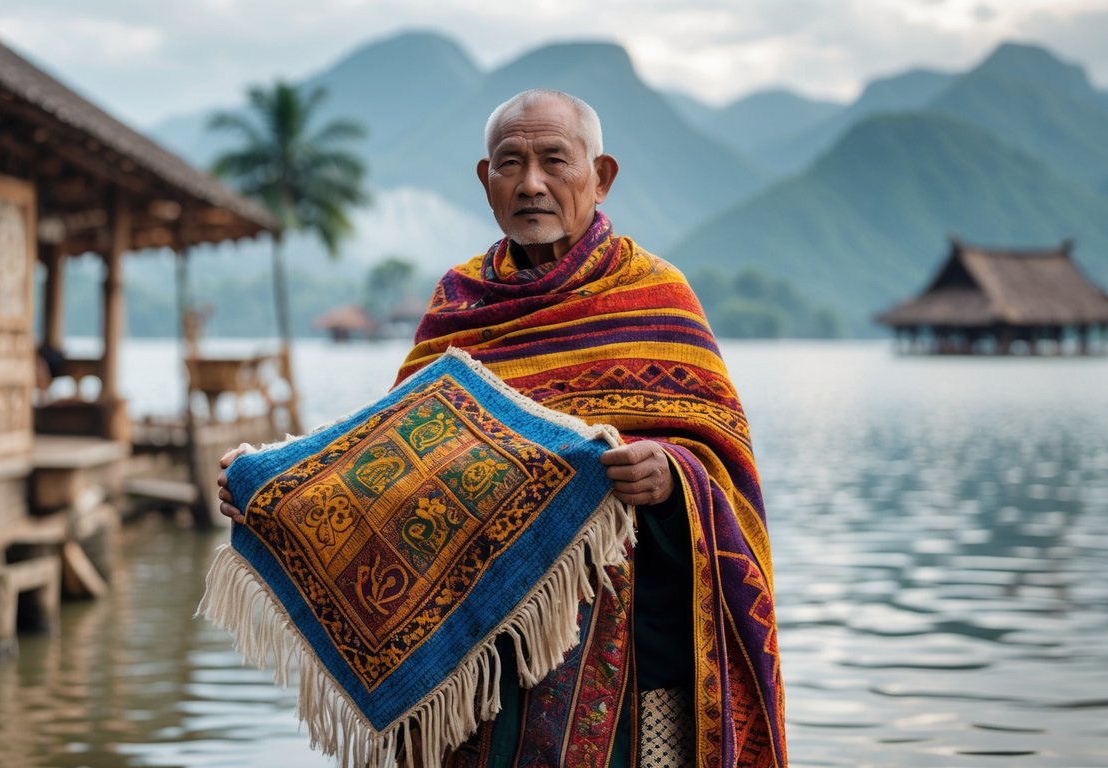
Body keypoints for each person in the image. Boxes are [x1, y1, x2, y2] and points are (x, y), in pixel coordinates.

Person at [218, 89, 785, 768]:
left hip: (627, 662)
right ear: (485, 182)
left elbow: (722, 462)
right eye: (509, 163)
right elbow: (393, 470)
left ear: (600, 178)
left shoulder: (654, 295)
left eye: (554, 160)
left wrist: (672, 475)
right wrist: (275, 492)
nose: (531, 183)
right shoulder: (458, 304)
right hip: (481, 668)